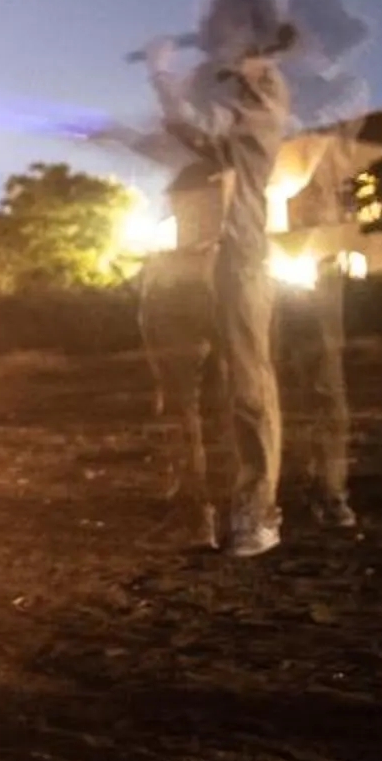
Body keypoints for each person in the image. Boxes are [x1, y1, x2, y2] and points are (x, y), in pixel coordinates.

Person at [143, 0, 295, 558]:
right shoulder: (216, 85)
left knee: (247, 385)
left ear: (254, 28)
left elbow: (206, 136)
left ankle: (257, 514)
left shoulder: (264, 89)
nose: (212, 36)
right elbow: (183, 148)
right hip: (190, 251)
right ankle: (195, 514)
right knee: (184, 388)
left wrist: (161, 76)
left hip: (239, 253)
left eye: (227, 24)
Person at [276, 0, 373, 534]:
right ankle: (279, 482)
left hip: (314, 243)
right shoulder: (269, 87)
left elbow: (313, 139)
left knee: (323, 373)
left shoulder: (343, 90)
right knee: (264, 373)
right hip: (266, 242)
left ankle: (330, 487)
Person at [135, 155, 234, 551]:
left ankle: (196, 517)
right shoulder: (232, 260)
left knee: (182, 416)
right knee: (226, 414)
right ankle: (230, 516)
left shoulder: (177, 267)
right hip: (217, 306)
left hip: (184, 317)